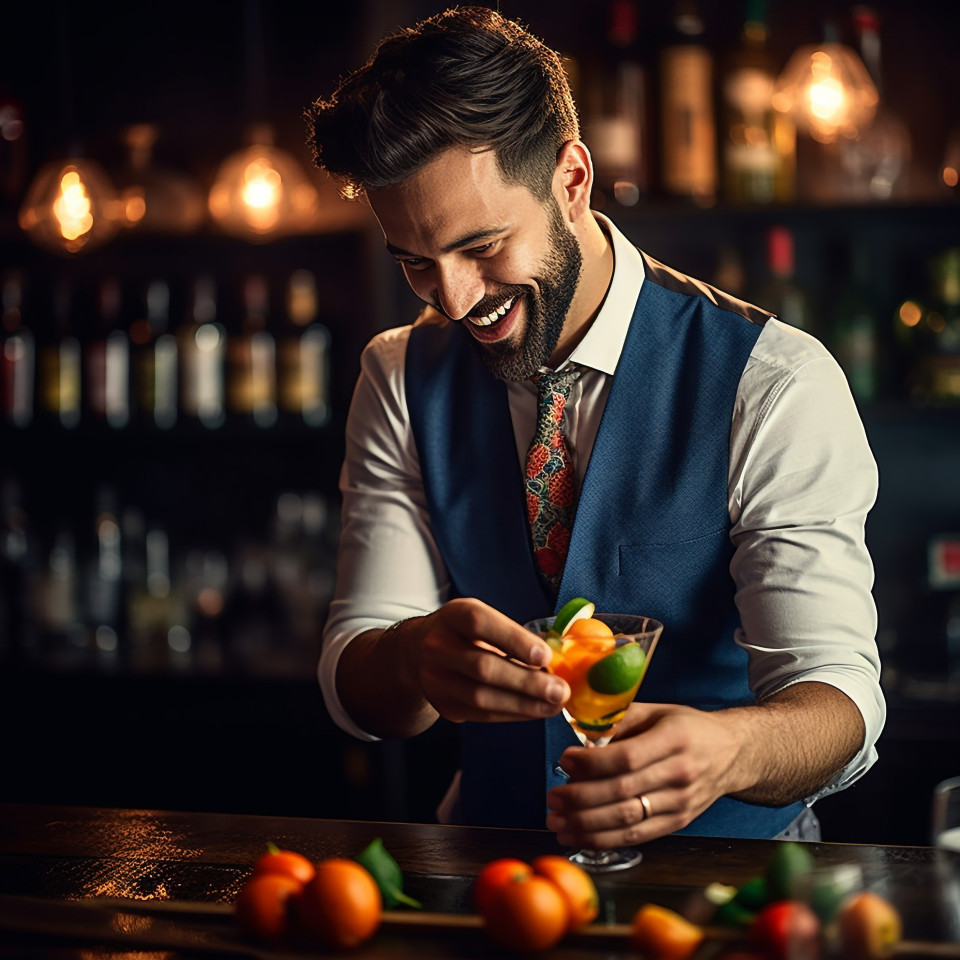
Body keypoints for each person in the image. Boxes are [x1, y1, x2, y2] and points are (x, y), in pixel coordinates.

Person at [306, 6, 883, 844]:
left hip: (732, 879)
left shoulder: (774, 380)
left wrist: (729, 753)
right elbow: (356, 675)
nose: (456, 300)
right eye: (417, 263)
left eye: (483, 245)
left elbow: (840, 700)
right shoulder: (398, 375)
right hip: (498, 873)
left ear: (572, 180)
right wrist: (410, 658)